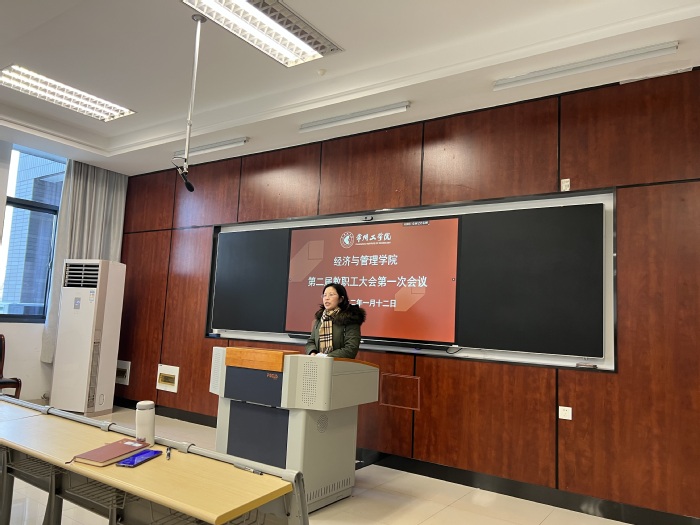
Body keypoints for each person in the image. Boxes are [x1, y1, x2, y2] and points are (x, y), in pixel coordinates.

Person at [305, 283, 366, 358]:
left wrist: (326, 357)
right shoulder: (320, 318)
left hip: (338, 363)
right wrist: (312, 352)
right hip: (318, 361)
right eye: (324, 295)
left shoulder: (350, 319)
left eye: (331, 295)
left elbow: (351, 348)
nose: (327, 298)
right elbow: (311, 341)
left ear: (341, 299)